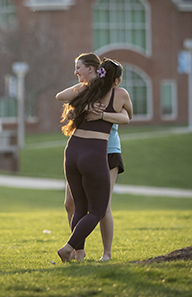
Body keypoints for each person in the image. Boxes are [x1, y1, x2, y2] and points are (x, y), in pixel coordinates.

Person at [55, 54, 132, 262]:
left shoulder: (115, 94)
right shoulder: (86, 91)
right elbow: (67, 106)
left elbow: (126, 117)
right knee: (73, 204)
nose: (76, 72)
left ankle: (105, 253)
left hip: (106, 150)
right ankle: (77, 251)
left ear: (94, 69)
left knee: (101, 206)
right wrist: (81, 108)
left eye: (78, 68)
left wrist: (102, 115)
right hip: (89, 150)